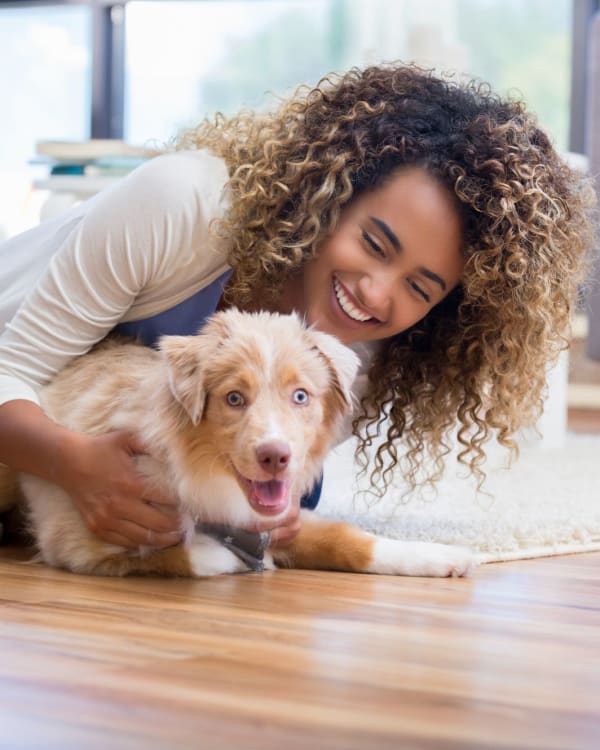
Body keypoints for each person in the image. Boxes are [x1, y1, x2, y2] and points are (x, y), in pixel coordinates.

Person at [0, 63, 593, 551]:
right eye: (374, 244)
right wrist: (73, 463)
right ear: (328, 198)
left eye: (420, 288)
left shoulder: (353, 360)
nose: (376, 294)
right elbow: (11, 368)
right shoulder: (183, 205)